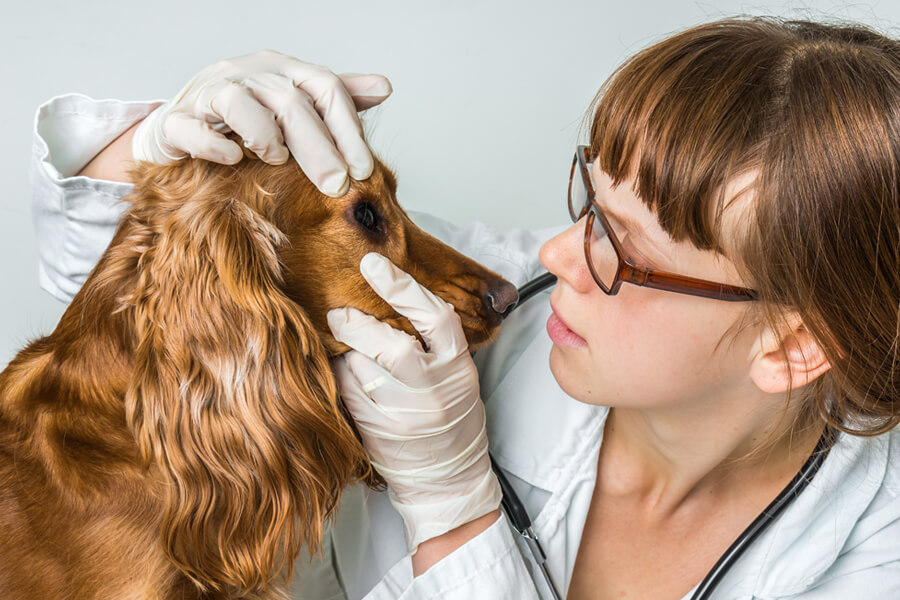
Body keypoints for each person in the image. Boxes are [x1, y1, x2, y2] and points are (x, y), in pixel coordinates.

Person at [28, 16, 900, 600]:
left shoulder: (876, 543)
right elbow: (152, 337)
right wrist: (149, 153)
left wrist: (457, 512)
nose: (556, 254)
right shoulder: (499, 300)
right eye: (587, 200)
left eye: (624, 250)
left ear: (791, 347)